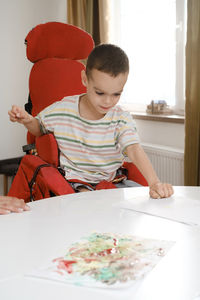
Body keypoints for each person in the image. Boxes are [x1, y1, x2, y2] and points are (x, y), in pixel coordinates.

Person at [8, 44, 173, 199]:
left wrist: (155, 182)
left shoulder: (120, 118)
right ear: (85, 79)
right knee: (87, 198)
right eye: (100, 93)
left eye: (116, 94)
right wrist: (27, 120)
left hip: (112, 181)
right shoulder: (63, 108)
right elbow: (39, 129)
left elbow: (134, 149)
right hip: (73, 181)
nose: (108, 101)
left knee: (141, 200)